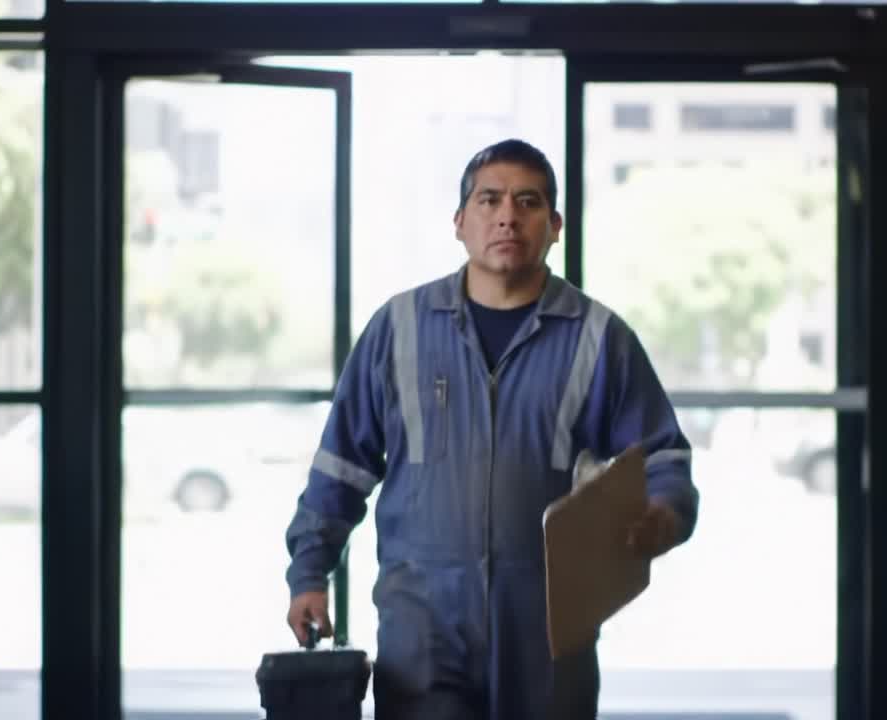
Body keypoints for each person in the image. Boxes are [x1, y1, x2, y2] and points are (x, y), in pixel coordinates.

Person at [284, 138, 699, 719]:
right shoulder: (398, 330)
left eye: (528, 202)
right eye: (489, 200)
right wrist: (310, 573)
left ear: (554, 225)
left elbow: (664, 460)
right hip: (423, 631)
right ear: (459, 222)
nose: (508, 215)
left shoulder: (599, 338)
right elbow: (341, 466)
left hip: (551, 630)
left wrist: (664, 515)